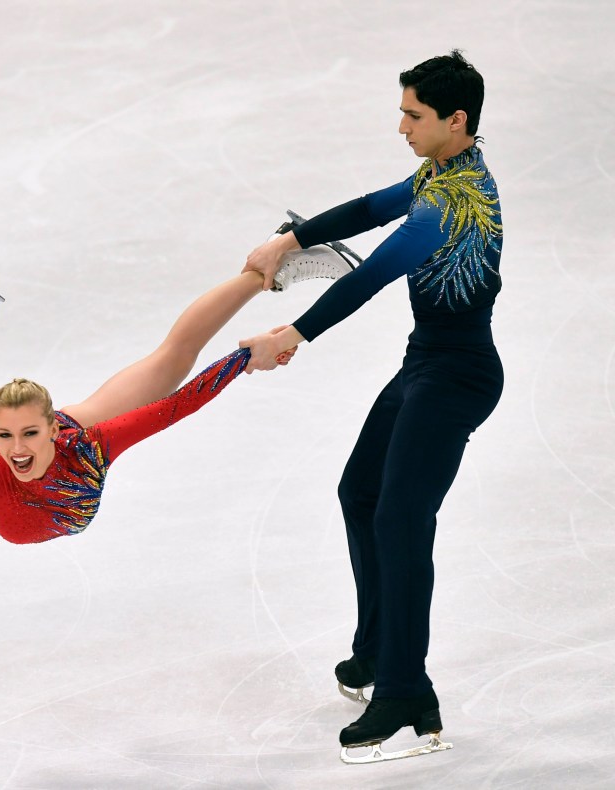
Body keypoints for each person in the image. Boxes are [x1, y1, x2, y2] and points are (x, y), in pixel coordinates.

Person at [237, 50, 502, 763]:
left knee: (402, 515)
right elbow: (366, 209)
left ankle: (406, 692)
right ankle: (380, 652)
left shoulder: (456, 201)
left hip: (459, 376)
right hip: (428, 364)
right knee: (362, 492)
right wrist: (290, 238)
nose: (401, 127)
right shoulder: (436, 173)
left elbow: (377, 271)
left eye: (413, 116)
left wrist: (291, 334)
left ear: (456, 120)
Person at [0, 243, 352, 543]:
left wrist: (244, 358)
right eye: (6, 435)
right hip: (16, 454)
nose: (16, 448)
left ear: (56, 426)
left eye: (29, 432)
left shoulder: (90, 442)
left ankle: (271, 264)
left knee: (172, 361)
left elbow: (181, 403)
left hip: (79, 431)